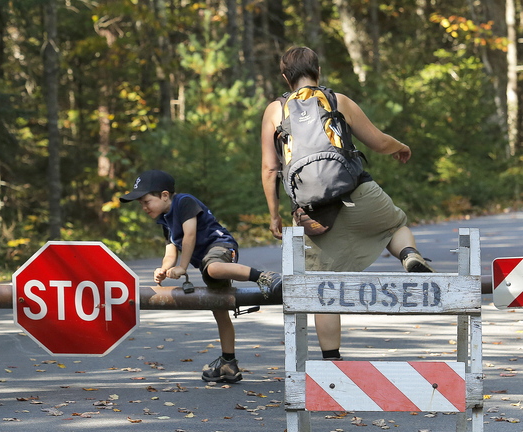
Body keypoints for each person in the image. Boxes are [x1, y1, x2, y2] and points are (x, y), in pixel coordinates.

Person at [260, 46, 433, 361]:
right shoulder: (338, 101)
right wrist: (401, 146)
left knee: (321, 282)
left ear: (285, 77)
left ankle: (332, 361)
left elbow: (270, 169)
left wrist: (274, 216)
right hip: (358, 193)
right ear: (318, 71)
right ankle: (408, 255)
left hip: (312, 212)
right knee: (395, 225)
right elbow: (379, 141)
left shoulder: (275, 110)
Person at [120, 169, 282, 383]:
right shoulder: (165, 221)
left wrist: (183, 267)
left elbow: (190, 235)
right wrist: (164, 268)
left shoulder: (184, 202)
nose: (143, 207)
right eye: (140, 203)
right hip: (207, 262)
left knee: (213, 268)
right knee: (219, 308)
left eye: (146, 201)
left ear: (165, 195)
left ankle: (266, 277)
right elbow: (172, 249)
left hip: (220, 247)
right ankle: (229, 363)